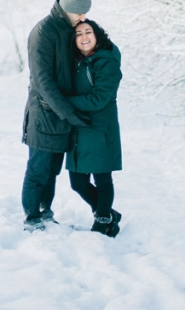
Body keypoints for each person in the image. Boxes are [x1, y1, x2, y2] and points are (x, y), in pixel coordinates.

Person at [21, 0, 93, 232]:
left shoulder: (67, 30)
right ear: (68, 9)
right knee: (37, 170)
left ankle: (46, 213)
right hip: (44, 114)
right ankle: (32, 217)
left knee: (52, 170)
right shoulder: (43, 32)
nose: (83, 18)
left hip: (61, 115)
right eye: (80, 13)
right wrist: (70, 113)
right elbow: (43, 82)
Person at [66, 19, 123, 237]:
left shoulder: (107, 61)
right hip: (79, 128)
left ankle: (104, 219)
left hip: (100, 128)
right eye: (78, 34)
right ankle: (107, 211)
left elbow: (98, 99)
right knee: (78, 182)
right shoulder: (78, 61)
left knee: (102, 178)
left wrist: (65, 102)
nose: (84, 37)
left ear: (97, 35)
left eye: (88, 32)